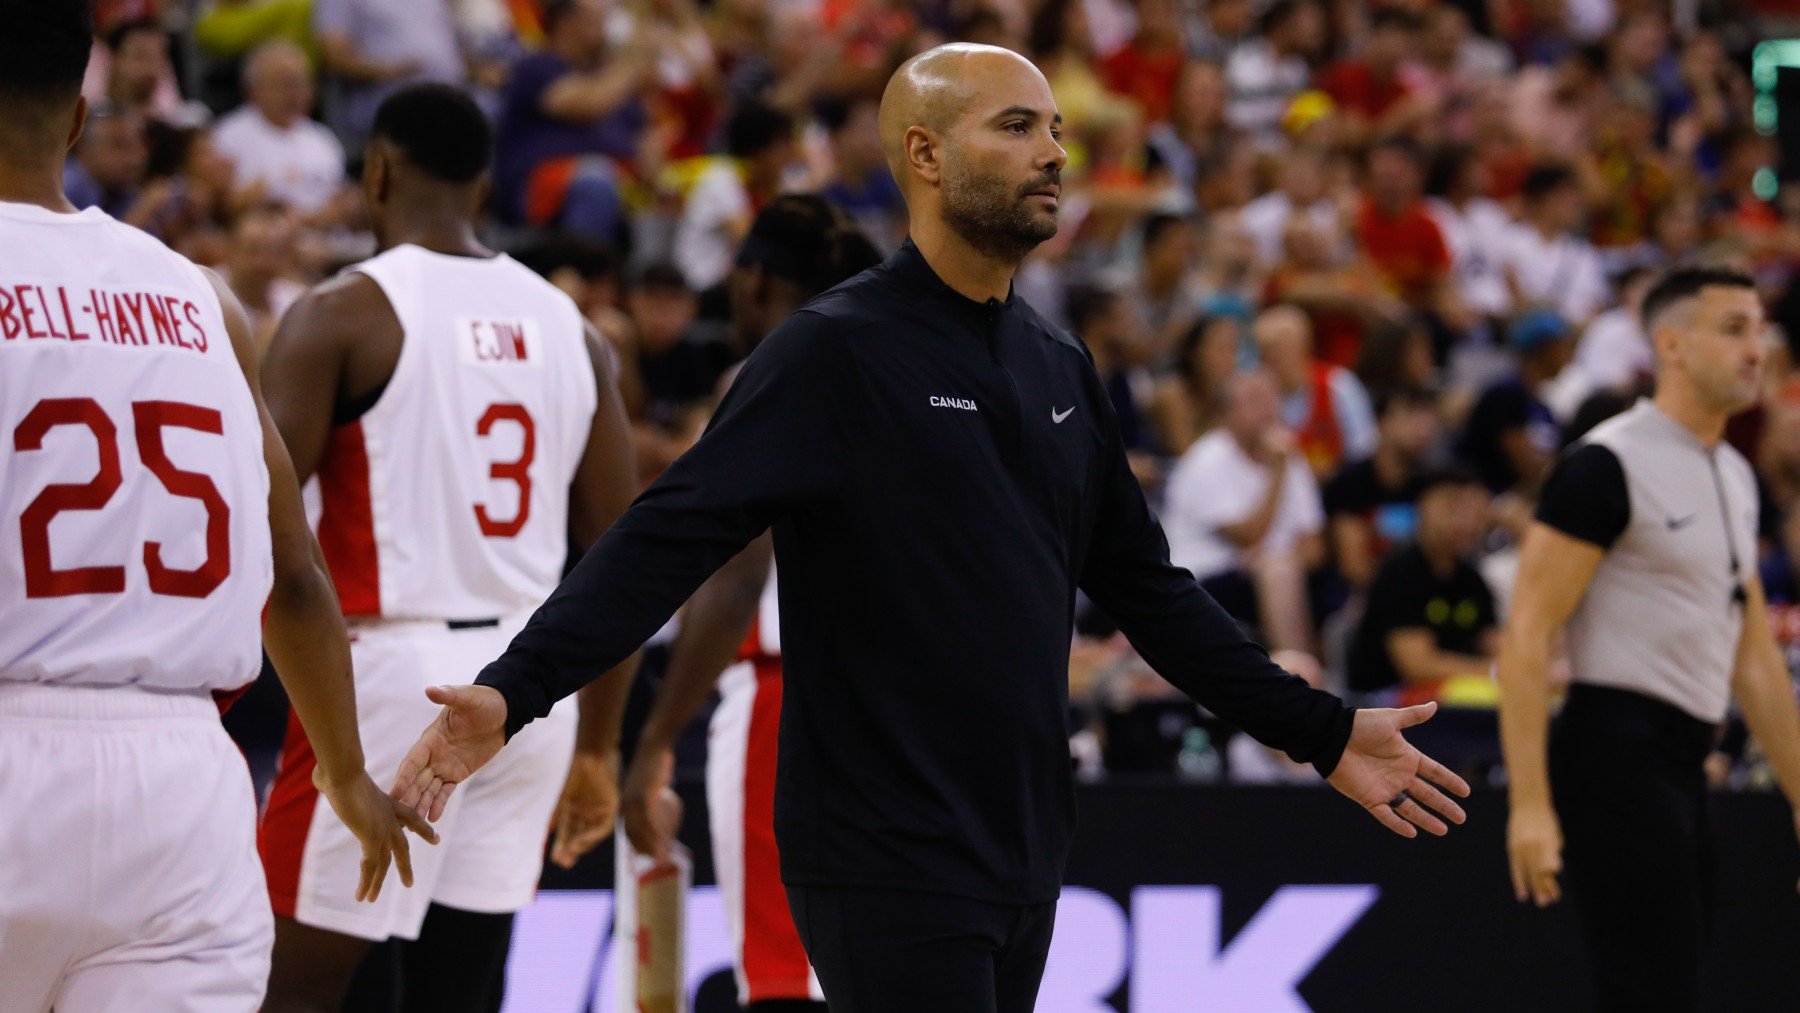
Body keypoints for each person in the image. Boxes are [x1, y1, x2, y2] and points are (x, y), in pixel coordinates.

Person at [391, 44, 1470, 1013]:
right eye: (1016, 126)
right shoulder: (835, 353)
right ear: (924, 153)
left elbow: (1152, 591)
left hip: (1025, 841)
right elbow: (665, 537)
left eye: (1054, 127)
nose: (1052, 151)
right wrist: (515, 688)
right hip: (882, 843)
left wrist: (1319, 729)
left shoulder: (1057, 364)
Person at [0, 2, 427, 1008]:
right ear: (76, 118)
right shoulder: (199, 296)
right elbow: (293, 573)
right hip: (182, 791)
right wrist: (343, 772)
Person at [254, 83, 638, 1011]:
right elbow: (629, 557)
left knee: (293, 989)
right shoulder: (573, 330)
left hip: (393, 682)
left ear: (377, 172)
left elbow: (253, 518)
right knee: (460, 991)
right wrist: (602, 745)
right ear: (483, 186)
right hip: (528, 688)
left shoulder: (343, 313)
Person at [1498, 267, 1800, 1010]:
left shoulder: (1732, 472)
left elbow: (1754, 654)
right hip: (1614, 746)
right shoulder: (1607, 463)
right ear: (1671, 343)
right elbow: (1528, 634)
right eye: (1733, 328)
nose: (1756, 348)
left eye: (1759, 328)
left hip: (1684, 756)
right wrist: (1530, 803)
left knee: (1671, 984)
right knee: (1657, 989)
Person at [619, 194, 880, 1013]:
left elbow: (735, 580)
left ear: (755, 280)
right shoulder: (919, 368)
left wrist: (656, 741)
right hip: (906, 703)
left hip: (789, 700)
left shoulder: (774, 371)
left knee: (782, 980)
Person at [1163, 369, 1327, 653]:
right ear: (1226, 414)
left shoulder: (1290, 457)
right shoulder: (1205, 460)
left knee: (1294, 574)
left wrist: (1283, 557)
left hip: (1274, 572)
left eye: (1270, 398)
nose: (1267, 408)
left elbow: (1314, 547)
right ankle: (1298, 679)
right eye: (1253, 400)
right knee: (1276, 572)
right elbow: (1249, 537)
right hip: (1204, 580)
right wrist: (1277, 473)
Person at [1347, 466, 1497, 704]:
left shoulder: (1473, 580)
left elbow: (1496, 643)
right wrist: (1494, 671)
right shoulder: (1399, 572)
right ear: (1425, 506)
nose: (1468, 522)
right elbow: (1418, 667)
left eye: (1477, 512)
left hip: (1453, 696)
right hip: (1387, 700)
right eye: (1454, 507)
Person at [210, 39, 349, 220]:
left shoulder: (323, 139)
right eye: (286, 85)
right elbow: (224, 206)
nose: (296, 95)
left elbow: (342, 201)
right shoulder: (227, 137)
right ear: (253, 90)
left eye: (302, 84)